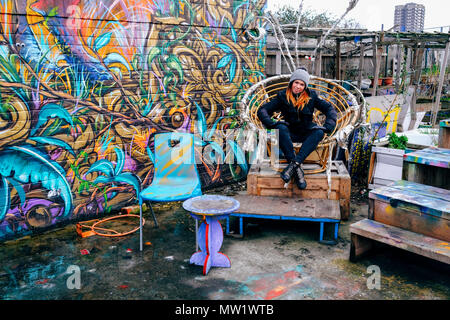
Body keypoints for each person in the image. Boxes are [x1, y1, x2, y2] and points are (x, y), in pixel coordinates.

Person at [257, 67, 337, 189]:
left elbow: (329, 109)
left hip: (306, 132)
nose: (298, 86)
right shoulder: (282, 96)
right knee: (280, 128)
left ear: (305, 86)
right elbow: (262, 110)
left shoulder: (312, 96)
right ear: (291, 82)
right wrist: (271, 124)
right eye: (296, 82)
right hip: (289, 132)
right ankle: (298, 170)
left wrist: (328, 125)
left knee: (319, 133)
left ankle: (293, 166)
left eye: (302, 84)